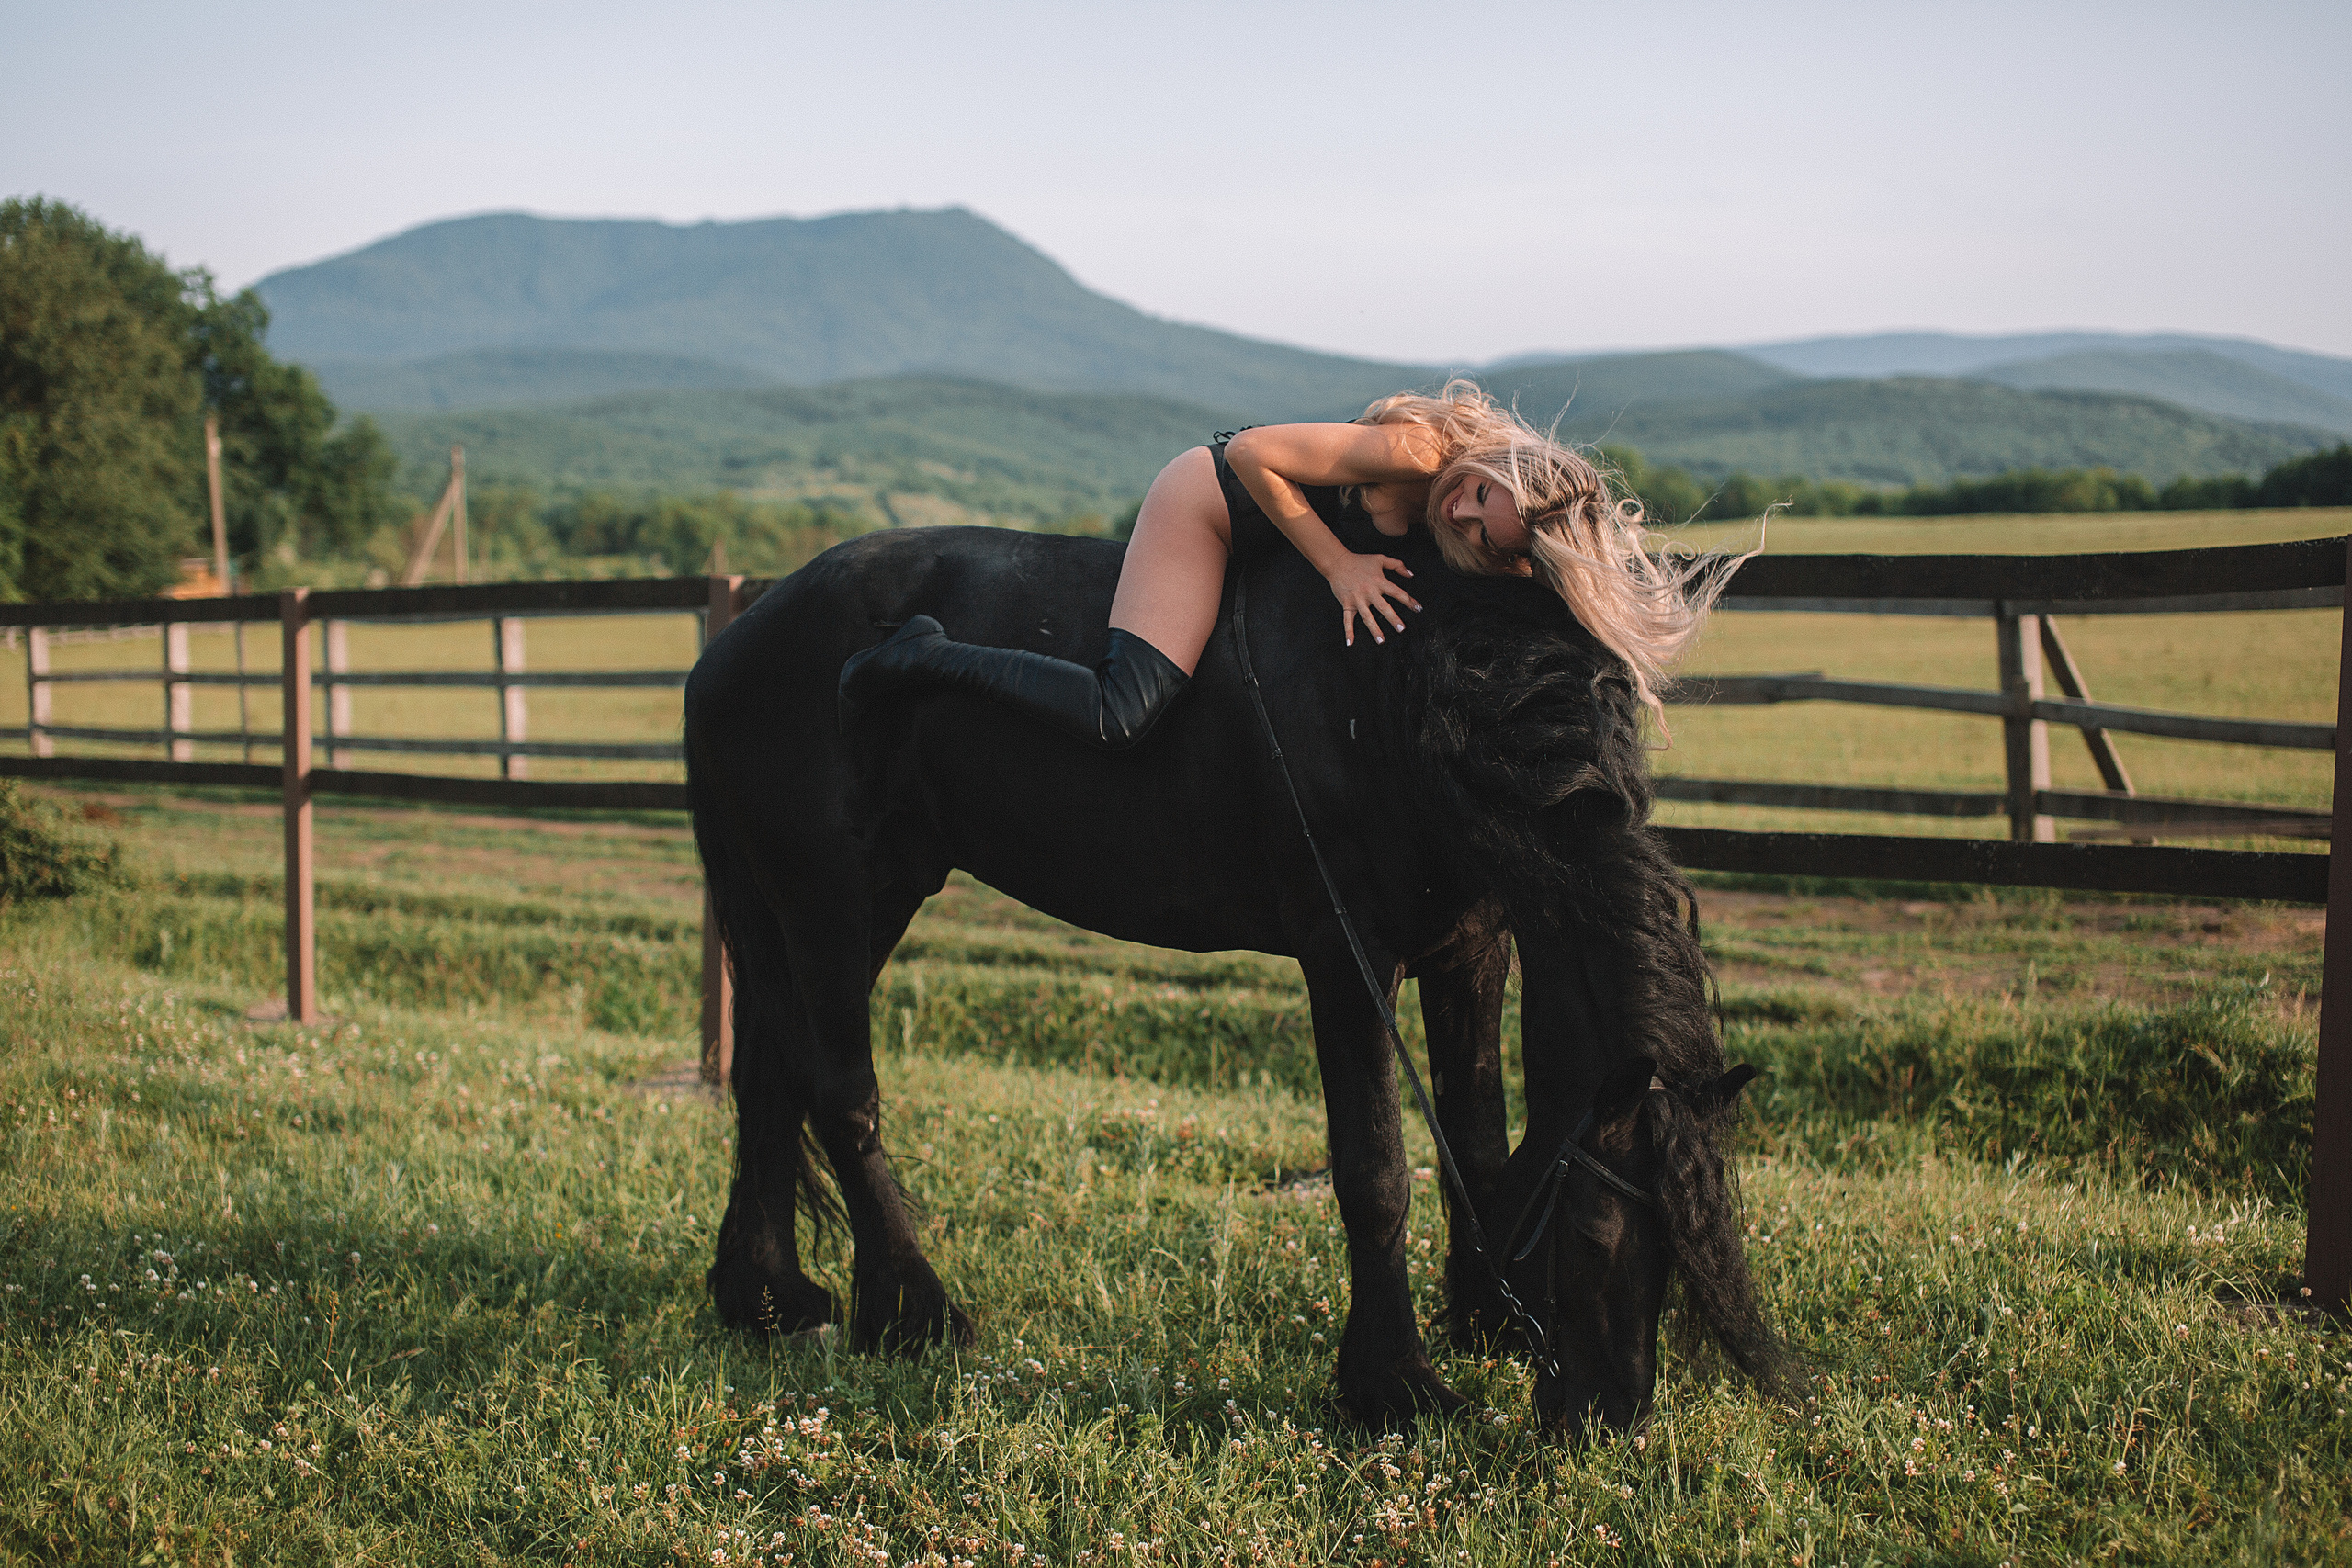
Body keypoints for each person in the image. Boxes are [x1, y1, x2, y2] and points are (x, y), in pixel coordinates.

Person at [838, 379, 1737, 749]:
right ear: (1500, 463)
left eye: (1481, 527)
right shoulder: (1424, 450)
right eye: (1476, 493)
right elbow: (1251, 453)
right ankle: (924, 654)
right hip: (1212, 502)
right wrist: (1340, 565)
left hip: (1268, 531)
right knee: (1124, 710)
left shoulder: (1489, 523)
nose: (1459, 511)